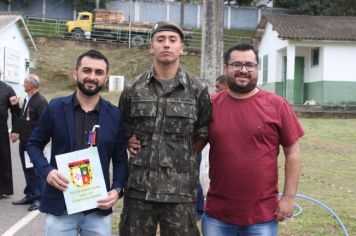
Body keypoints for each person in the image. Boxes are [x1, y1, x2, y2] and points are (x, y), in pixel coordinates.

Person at [118, 20, 211, 235]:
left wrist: (183, 155)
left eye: (172, 40)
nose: (166, 45)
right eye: (160, 40)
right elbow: (123, 125)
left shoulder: (197, 89)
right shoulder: (134, 88)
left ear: (182, 48)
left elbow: (203, 131)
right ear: (151, 47)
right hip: (140, 190)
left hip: (180, 192)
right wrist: (128, 140)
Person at [202, 43, 304, 235]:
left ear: (257, 68)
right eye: (236, 64)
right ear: (225, 69)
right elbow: (188, 145)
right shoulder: (210, 104)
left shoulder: (277, 105)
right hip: (218, 214)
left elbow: (293, 153)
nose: (243, 70)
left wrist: (288, 198)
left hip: (262, 216)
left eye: (250, 65)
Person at [27, 50, 128, 235]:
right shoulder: (55, 108)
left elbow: (121, 158)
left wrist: (117, 190)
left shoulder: (114, 115)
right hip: (60, 206)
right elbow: (33, 145)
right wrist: (47, 172)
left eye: (98, 72)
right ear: (76, 73)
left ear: (105, 78)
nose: (92, 77)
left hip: (98, 208)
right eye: (86, 70)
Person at [12, 74, 47, 211]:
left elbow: (45, 123)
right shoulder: (27, 99)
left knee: (36, 170)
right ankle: (30, 194)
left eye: (25, 82)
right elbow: (23, 118)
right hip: (25, 141)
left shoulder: (40, 101)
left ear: (30, 85)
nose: (23, 84)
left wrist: (40, 141)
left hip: (34, 143)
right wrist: (17, 131)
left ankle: (39, 198)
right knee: (27, 169)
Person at [0, 68, 20, 199]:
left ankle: (2, 189)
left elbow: (15, 111)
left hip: (1, 129)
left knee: (2, 158)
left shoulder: (7, 89)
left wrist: (15, 130)